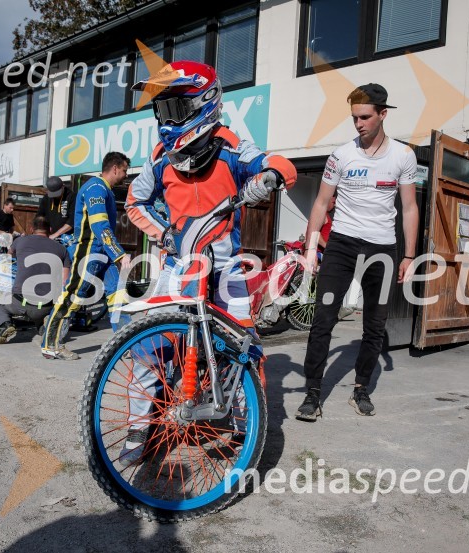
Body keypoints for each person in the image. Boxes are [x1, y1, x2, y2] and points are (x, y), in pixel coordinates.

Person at [120, 61, 297, 465]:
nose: (167, 121)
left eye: (175, 110)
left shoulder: (231, 143)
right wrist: (163, 234)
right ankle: (138, 425)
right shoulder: (160, 156)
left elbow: (279, 165)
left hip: (225, 269)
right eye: (162, 112)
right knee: (148, 348)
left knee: (245, 348)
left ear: (205, 102)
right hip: (177, 265)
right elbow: (134, 201)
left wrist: (268, 177)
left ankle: (244, 423)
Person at [295, 83, 419, 421]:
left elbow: (409, 208)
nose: (359, 124)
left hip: (383, 248)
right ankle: (313, 393)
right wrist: (309, 247)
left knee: (375, 327)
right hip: (342, 244)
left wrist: (408, 256)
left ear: (382, 114)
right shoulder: (341, 155)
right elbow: (321, 202)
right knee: (322, 320)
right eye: (354, 118)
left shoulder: (404, 156)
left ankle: (361, 389)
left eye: (365, 117)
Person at [40, 152, 133, 360]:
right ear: (115, 168)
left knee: (117, 295)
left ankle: (127, 343)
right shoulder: (95, 188)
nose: (126, 175)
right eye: (125, 170)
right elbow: (100, 225)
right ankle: (50, 344)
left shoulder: (102, 189)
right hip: (89, 251)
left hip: (102, 252)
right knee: (72, 296)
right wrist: (119, 254)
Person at [0, 216, 71, 344]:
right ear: (50, 230)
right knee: (40, 307)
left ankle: (4, 325)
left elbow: (8, 257)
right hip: (45, 306)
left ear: (31, 229)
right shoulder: (62, 249)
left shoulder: (20, 241)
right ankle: (43, 327)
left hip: (19, 303)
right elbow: (65, 281)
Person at [37, 176, 74, 240]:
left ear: (63, 186)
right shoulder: (46, 198)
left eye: (57, 193)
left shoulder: (72, 197)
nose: (55, 196)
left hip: (66, 238)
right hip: (49, 236)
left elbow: (72, 221)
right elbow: (39, 215)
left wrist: (56, 234)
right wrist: (42, 227)